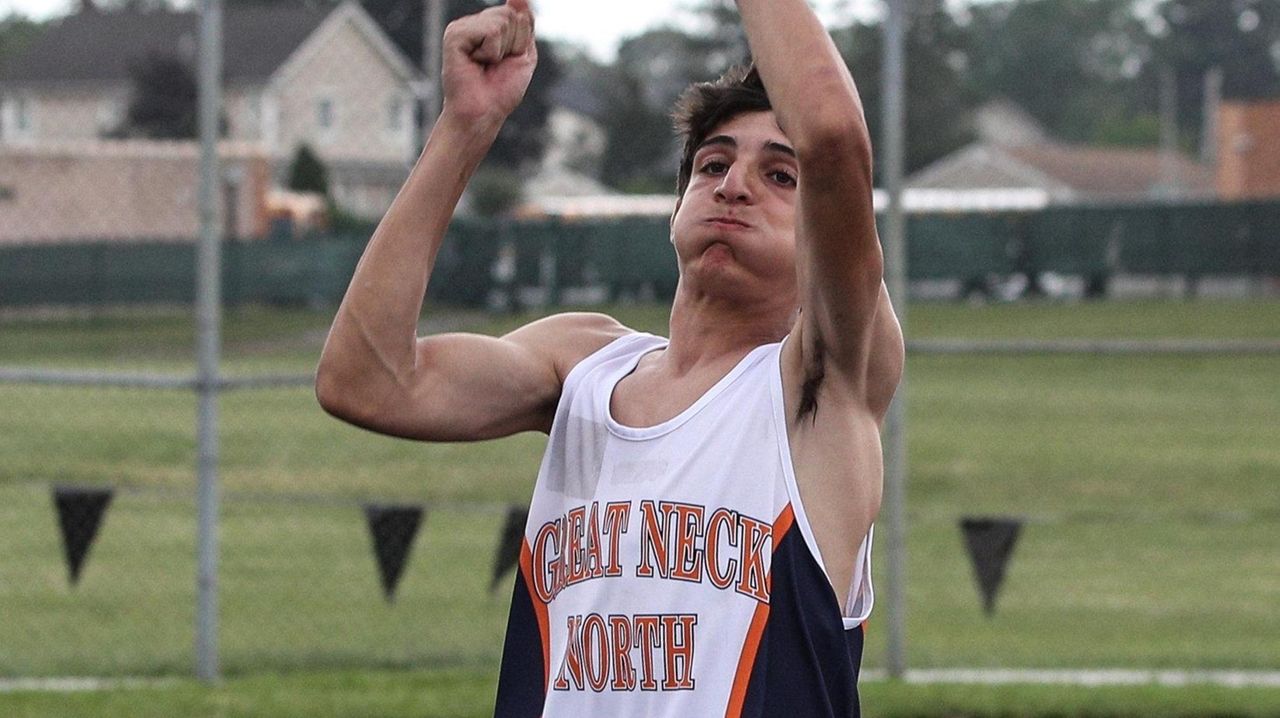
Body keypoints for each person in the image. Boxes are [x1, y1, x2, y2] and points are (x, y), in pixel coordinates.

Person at [315, 0, 904, 714]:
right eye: (713, 163)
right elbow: (365, 381)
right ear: (676, 202)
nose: (735, 184)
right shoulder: (582, 365)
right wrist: (466, 127)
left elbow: (835, 138)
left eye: (781, 175)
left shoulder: (819, 384)